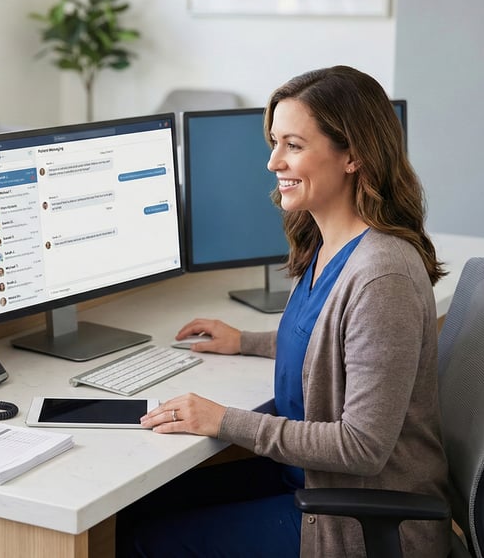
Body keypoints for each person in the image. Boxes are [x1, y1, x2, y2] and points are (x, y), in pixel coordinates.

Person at [116, 66, 449, 557]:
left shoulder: (383, 276)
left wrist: (223, 420)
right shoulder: (331, 244)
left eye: (293, 145)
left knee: (144, 541)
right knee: (134, 508)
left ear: (353, 155)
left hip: (361, 520)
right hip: (311, 481)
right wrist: (245, 341)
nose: (273, 162)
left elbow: (361, 447)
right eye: (274, 143)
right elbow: (335, 345)